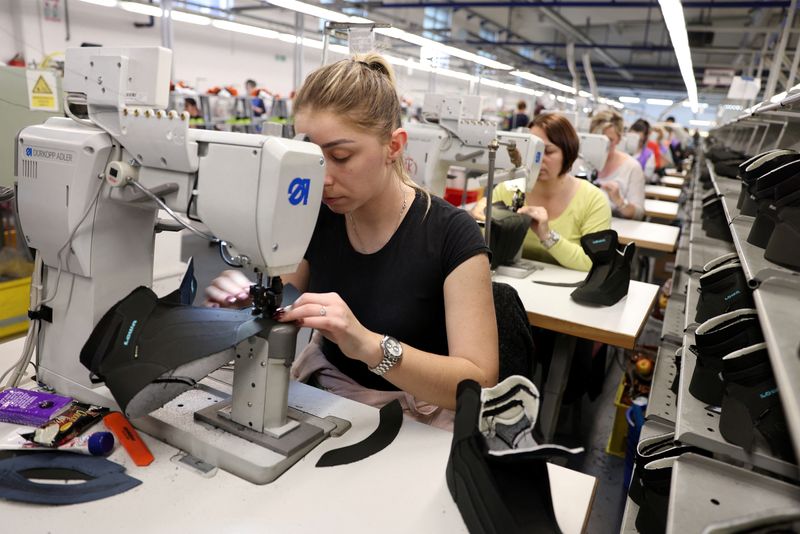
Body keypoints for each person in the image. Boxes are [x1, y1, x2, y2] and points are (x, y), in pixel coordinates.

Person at [206, 54, 499, 430]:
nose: (322, 177)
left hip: (417, 418)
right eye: (311, 156)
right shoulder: (314, 214)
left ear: (394, 147)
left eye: (340, 156)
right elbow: (285, 301)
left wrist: (368, 346)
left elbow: (478, 382)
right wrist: (248, 302)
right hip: (326, 398)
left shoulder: (452, 234)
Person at [471, 112, 611, 272]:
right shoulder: (509, 188)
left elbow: (594, 262)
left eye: (548, 151)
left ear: (568, 153)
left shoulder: (593, 200)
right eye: (533, 150)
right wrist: (474, 221)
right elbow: (480, 247)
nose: (538, 158)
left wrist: (548, 236)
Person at [590, 109, 646, 220]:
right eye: (598, 139)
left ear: (619, 139)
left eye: (609, 140)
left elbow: (639, 213)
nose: (603, 145)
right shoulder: (579, 162)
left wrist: (619, 201)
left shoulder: (632, 167)